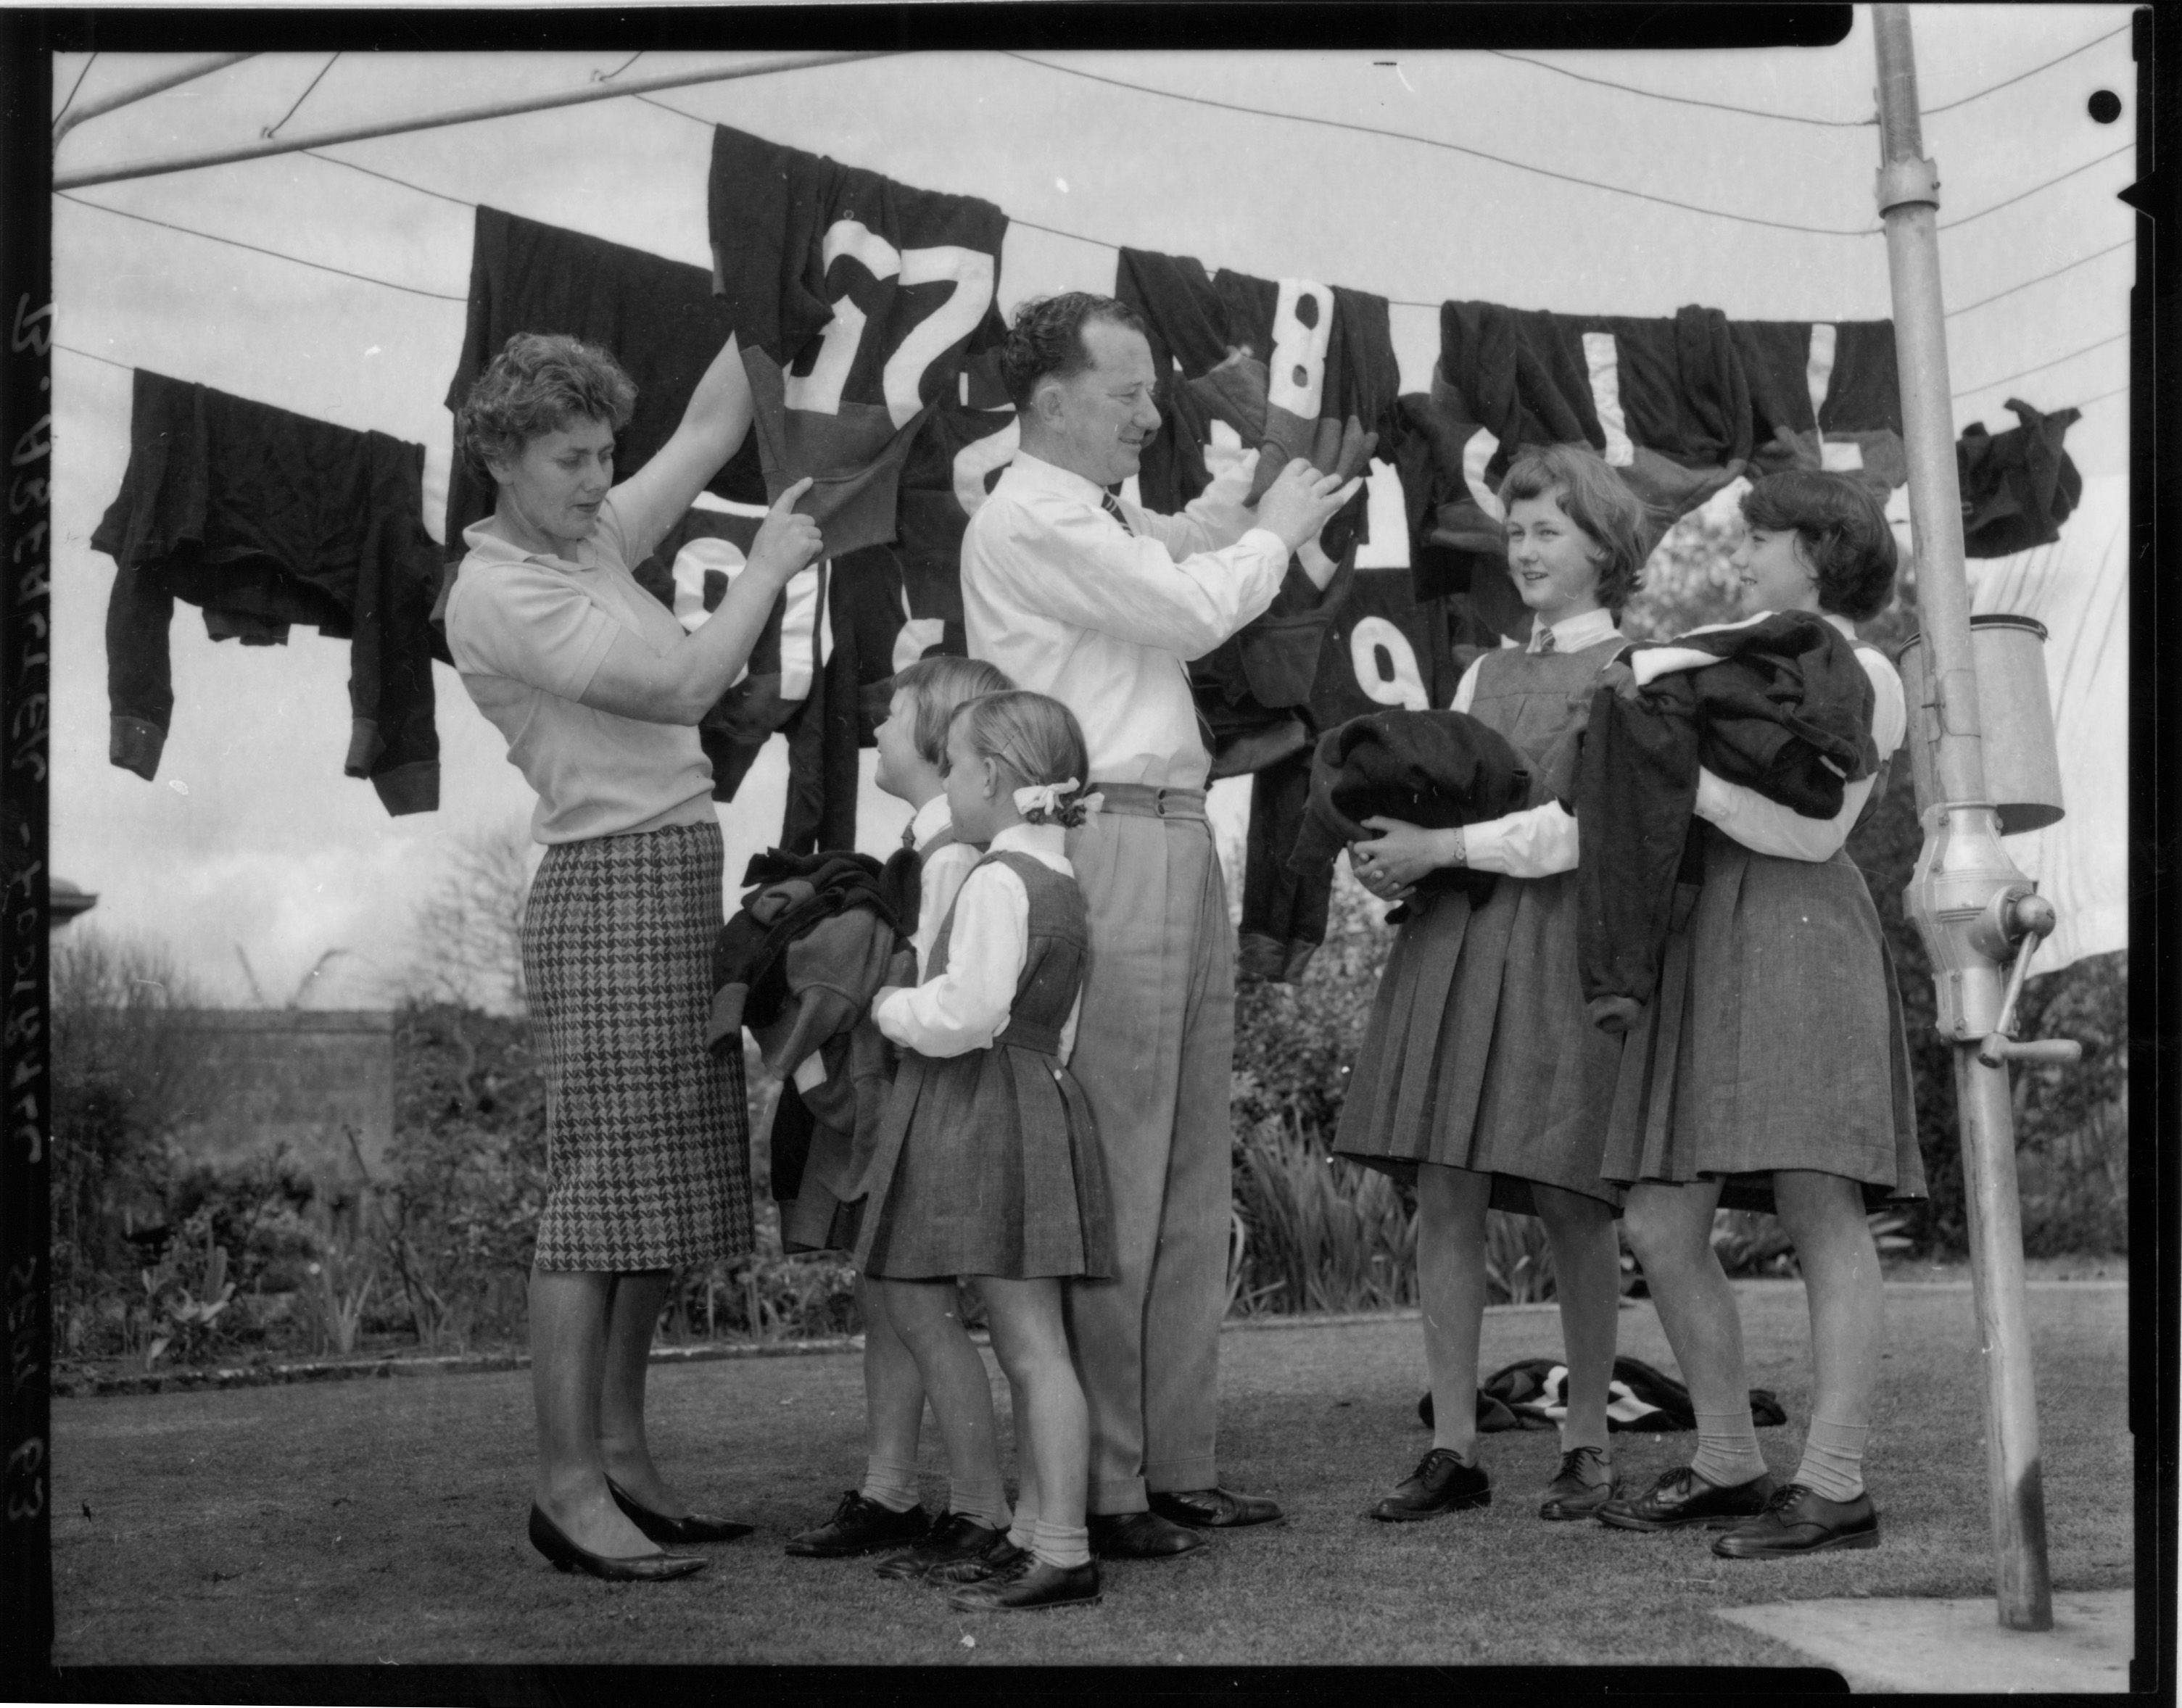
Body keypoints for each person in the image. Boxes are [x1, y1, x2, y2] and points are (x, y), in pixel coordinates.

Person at [959, 293, 1360, 1556]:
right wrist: (1280, 522)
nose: (1149, 414)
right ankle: (1111, 1482)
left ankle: (1170, 1462)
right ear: (1050, 402)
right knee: (1122, 1169)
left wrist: (1254, 487)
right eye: (1127, 393)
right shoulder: (1025, 511)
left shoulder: (1094, 512)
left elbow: (1178, 550)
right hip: (1101, 834)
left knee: (1188, 1172)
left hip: (1175, 831)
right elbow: (1188, 610)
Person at [445, 330, 823, 1581]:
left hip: (669, 877)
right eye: (569, 458)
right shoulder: (500, 590)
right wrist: (763, 564)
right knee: (598, 1198)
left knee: (655, 1197)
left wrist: (774, 302)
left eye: (604, 453)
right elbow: (680, 686)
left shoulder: (587, 537)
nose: (598, 478)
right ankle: (563, 1490)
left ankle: (618, 1454)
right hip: (604, 887)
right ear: (499, 456)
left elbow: (710, 427)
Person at [1592, 469, 1919, 1556]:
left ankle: (1834, 1485)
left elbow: (1814, 834)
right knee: (1655, 1219)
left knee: (1819, 1202)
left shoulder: (1866, 668)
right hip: (1706, 933)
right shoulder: (1731, 657)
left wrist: (1678, 776)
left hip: (1799, 931)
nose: (1747, 557)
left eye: (1765, 539)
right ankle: (1729, 1456)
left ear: (1820, 552)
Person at [1337, 444, 1643, 1525]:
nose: (1522, 550)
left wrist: (1441, 848)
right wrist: (1386, 848)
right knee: (1447, 1193)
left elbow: (1583, 831)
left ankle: (1591, 1443)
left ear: (1605, 545)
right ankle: (1454, 1449)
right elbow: (1442, 796)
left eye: (1546, 530)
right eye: (1514, 532)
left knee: (1571, 1197)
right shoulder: (1479, 673)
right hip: (1457, 941)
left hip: (1558, 948)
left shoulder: (1636, 671)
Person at [852, 689, 1111, 1613]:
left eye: (956, 764)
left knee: (1031, 1344)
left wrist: (889, 1008)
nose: (951, 781)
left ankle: (1065, 1548)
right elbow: (1058, 1026)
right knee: (1035, 1339)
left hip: (990, 1107)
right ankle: (1039, 1533)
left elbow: (965, 1013)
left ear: (994, 776)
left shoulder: (996, 878)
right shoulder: (1062, 878)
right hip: (1037, 1100)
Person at [785, 654, 1025, 1576]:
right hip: (909, 1102)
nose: (877, 729)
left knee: (915, 1306)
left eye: (893, 715)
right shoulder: (929, 847)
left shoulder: (950, 856)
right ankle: (891, 1491)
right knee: (888, 1301)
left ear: (939, 740)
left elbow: (931, 998)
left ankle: (978, 1508)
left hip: (924, 1106)